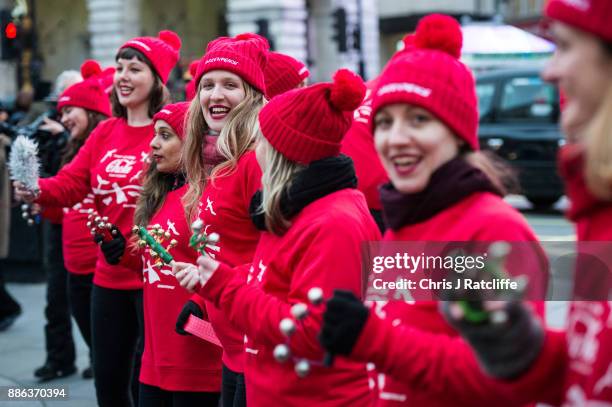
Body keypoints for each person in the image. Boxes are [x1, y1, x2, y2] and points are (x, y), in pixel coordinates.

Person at [319, 14, 550, 406]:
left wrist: (374, 339)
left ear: (458, 133)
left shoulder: (486, 230)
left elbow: (507, 377)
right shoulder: (405, 222)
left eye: (419, 120)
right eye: (385, 122)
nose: (396, 139)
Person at [439, 1, 612, 405]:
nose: (549, 72)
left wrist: (371, 338)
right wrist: (514, 343)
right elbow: (587, 378)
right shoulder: (598, 210)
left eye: (564, 47)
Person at [176, 68, 381, 406]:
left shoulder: (335, 223)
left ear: (284, 151)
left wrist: (227, 288)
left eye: (263, 139)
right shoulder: (294, 210)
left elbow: (309, 331)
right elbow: (273, 278)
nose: (256, 149)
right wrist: (220, 278)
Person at [15, 30, 181, 407]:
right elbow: (72, 182)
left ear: (157, 78)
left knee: (148, 388)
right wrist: (35, 188)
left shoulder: (172, 129)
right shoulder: (105, 131)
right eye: (119, 67)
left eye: (134, 68)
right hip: (106, 278)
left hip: (153, 279)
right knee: (108, 384)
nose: (122, 76)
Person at [174, 32, 268, 407]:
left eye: (231, 85)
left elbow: (275, 259)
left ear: (253, 97)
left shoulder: (253, 161)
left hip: (254, 343)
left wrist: (216, 282)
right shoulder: (212, 161)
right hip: (228, 343)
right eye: (207, 84)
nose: (215, 95)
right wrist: (202, 295)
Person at [130, 102, 222, 406]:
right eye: (155, 135)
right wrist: (119, 252)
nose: (154, 143)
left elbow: (227, 268)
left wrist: (200, 303)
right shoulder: (161, 194)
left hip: (195, 356)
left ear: (192, 141)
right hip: (155, 356)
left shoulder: (209, 197)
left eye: (166, 135)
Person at [33, 60, 110, 381]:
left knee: (108, 341)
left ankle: (99, 360)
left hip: (101, 257)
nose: (62, 117)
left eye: (69, 108)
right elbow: (62, 192)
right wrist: (38, 193)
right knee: (60, 303)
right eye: (59, 109)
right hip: (70, 252)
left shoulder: (102, 142)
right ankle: (62, 357)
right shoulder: (70, 145)